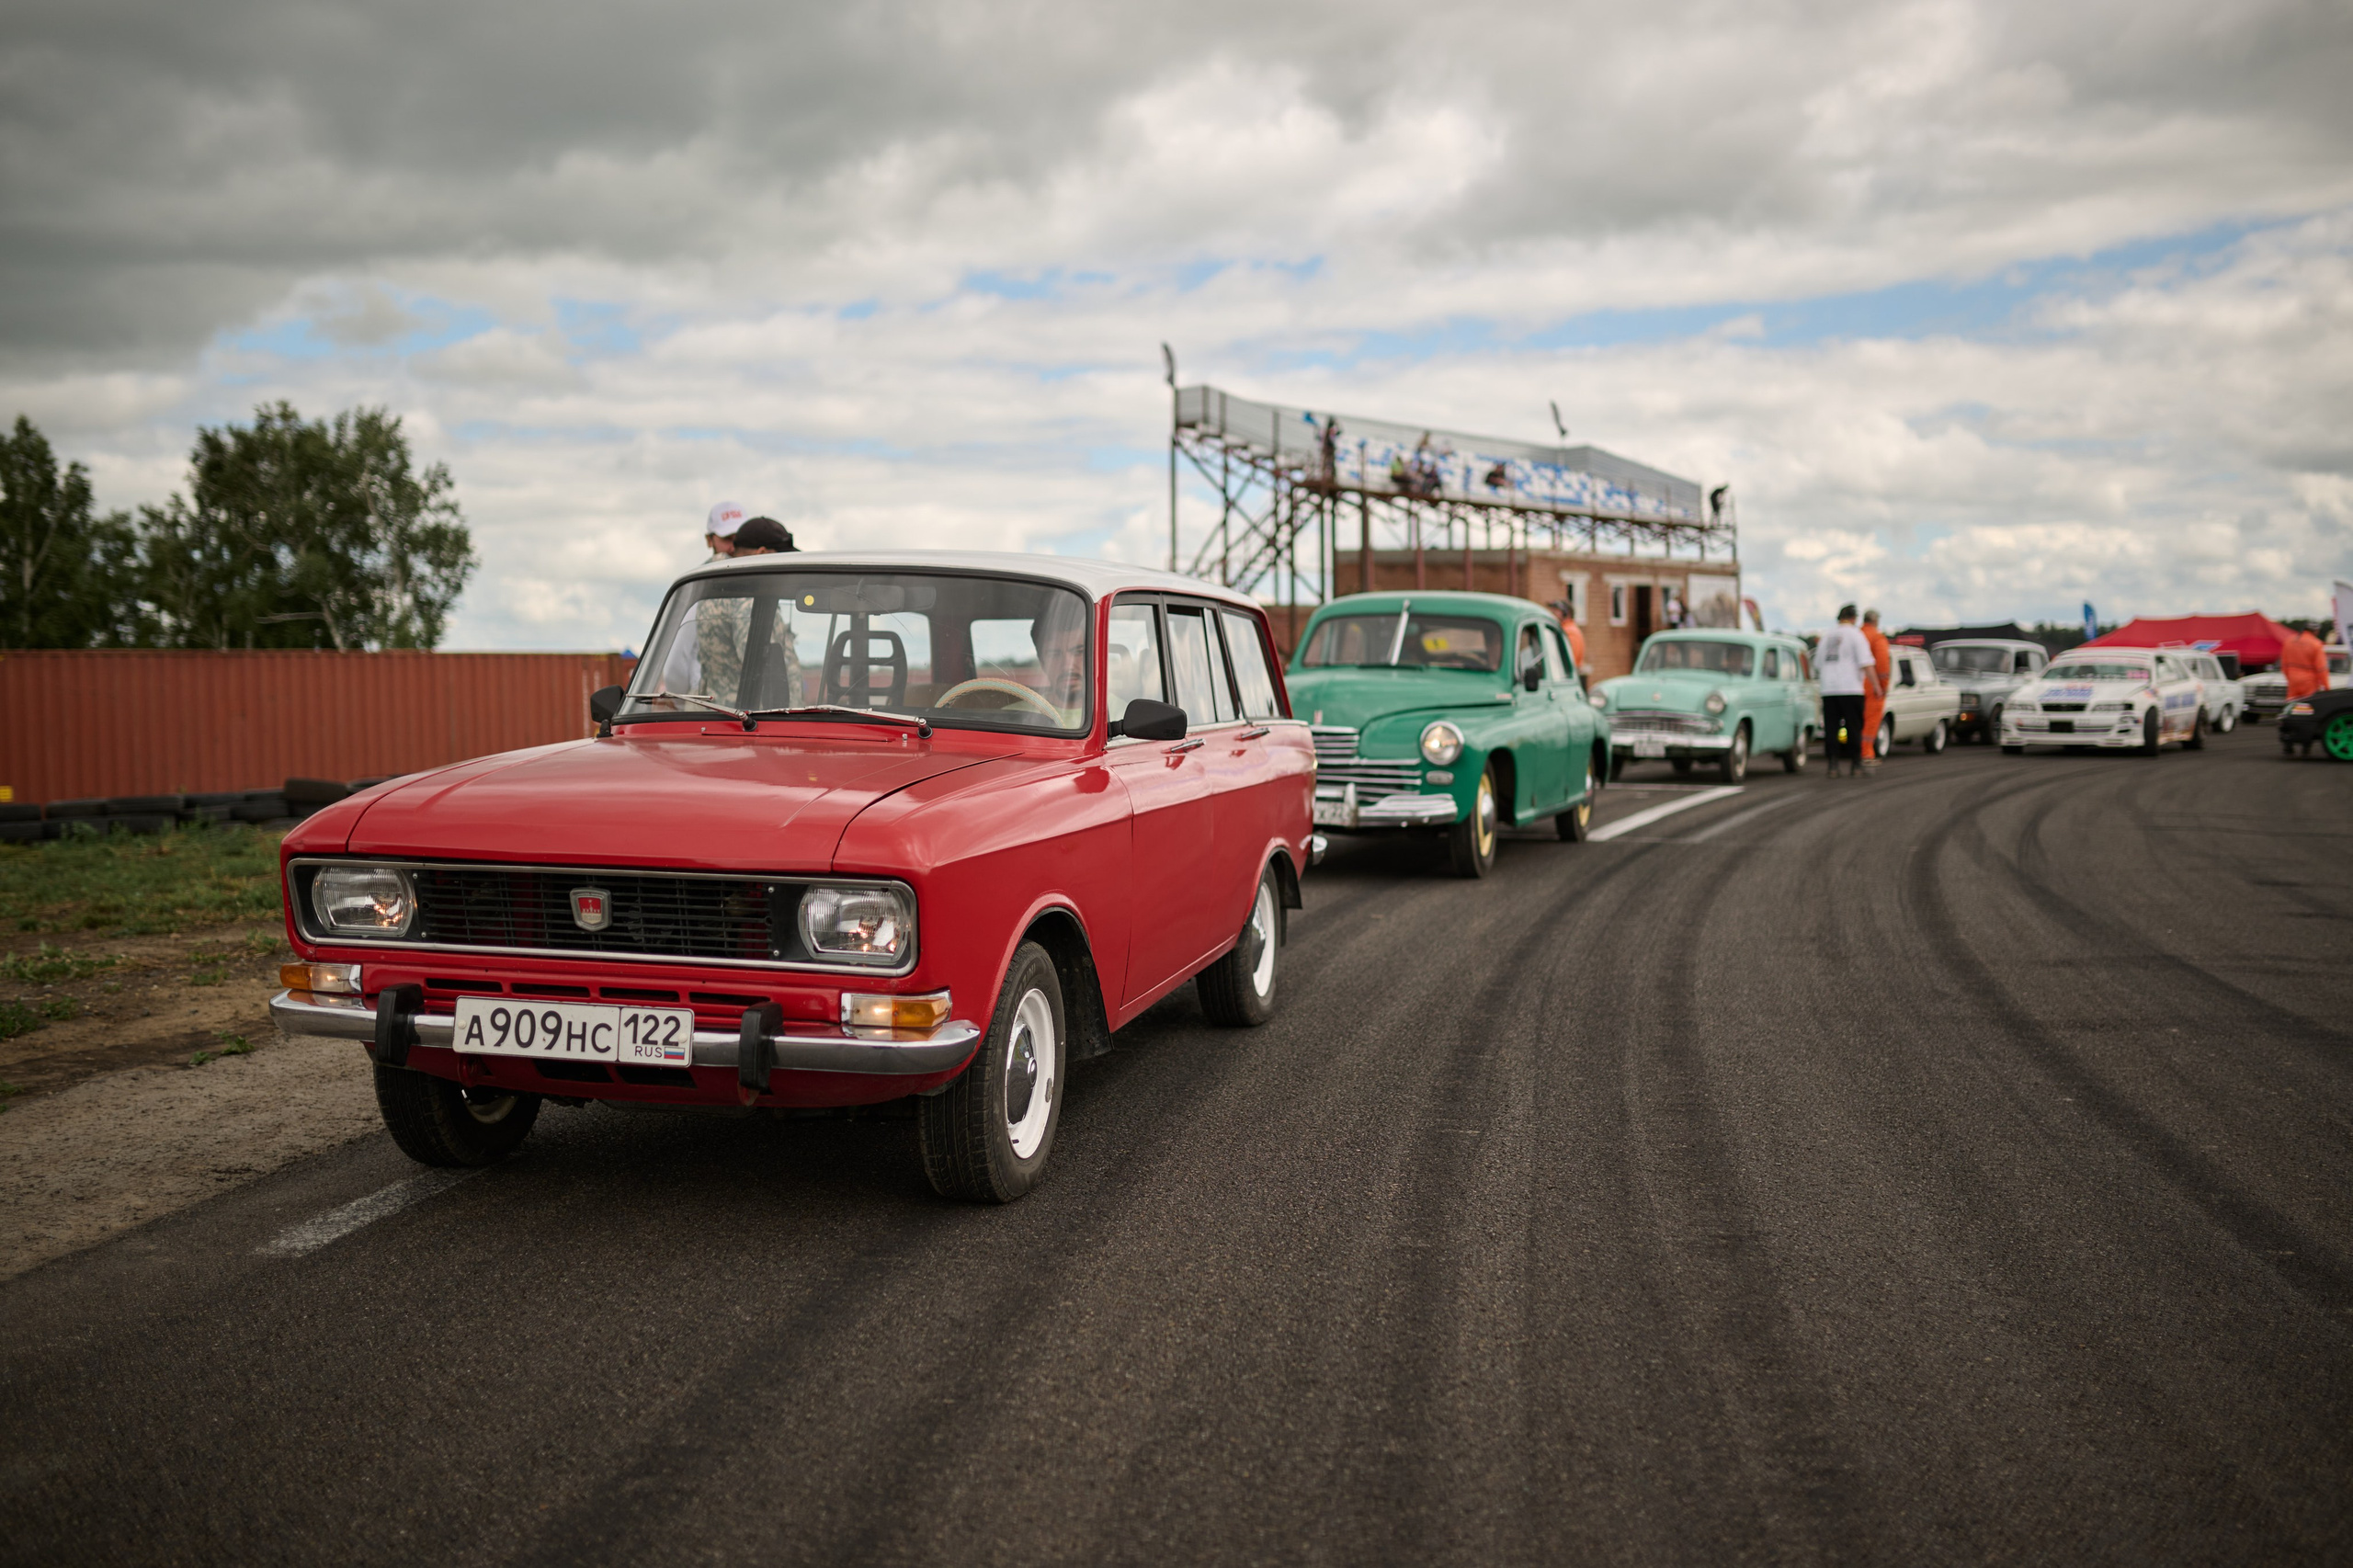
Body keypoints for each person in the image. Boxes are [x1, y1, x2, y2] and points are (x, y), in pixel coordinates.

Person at [1818, 606, 1872, 777]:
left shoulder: (1827, 636)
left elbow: (1818, 663)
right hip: (1851, 688)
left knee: (1831, 728)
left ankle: (1833, 765)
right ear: (1854, 618)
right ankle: (1856, 764)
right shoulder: (1856, 635)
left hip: (1829, 689)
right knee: (1854, 727)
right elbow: (1865, 662)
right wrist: (1876, 685)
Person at [1859, 608, 1893, 768]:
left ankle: (1856, 751)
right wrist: (1883, 686)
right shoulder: (1877, 638)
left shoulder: (1857, 634)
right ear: (1875, 621)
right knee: (1871, 721)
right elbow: (1883, 665)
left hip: (1853, 685)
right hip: (1871, 687)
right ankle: (1866, 753)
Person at [2282, 624, 2329, 700]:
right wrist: (2326, 687)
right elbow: (2321, 669)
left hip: (2293, 680)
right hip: (2309, 682)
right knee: (2309, 706)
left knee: (2292, 706)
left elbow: (2284, 665)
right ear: (2316, 631)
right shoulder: (2316, 644)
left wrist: (2290, 678)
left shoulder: (2289, 641)